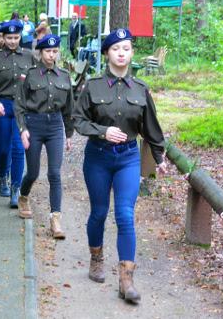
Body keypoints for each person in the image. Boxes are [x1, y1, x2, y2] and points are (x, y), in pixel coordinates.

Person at [73, 28, 167, 303]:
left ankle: (126, 280)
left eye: (126, 48)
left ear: (132, 53)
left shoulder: (140, 89)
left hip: (128, 158)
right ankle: (96, 258)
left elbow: (152, 128)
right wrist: (102, 131)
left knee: (125, 214)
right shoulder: (93, 86)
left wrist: (159, 158)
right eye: (116, 49)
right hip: (98, 157)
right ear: (106, 53)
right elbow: (78, 120)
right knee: (99, 212)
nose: (121, 53)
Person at [15, 34, 73, 239]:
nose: (51, 55)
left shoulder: (64, 75)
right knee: (33, 172)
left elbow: (69, 108)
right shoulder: (30, 75)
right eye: (48, 51)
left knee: (54, 173)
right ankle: (23, 196)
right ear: (40, 52)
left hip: (55, 126)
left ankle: (55, 218)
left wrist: (69, 134)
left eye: (55, 51)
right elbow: (19, 105)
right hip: (34, 124)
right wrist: (22, 129)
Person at [0, 19, 36, 207]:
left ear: (20, 36)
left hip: (22, 108)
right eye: (9, 38)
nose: (13, 41)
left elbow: (35, 82)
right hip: (3, 106)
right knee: (3, 148)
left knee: (18, 147)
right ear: (3, 38)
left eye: (16, 37)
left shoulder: (29, 56)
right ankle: (2, 176)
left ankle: (16, 187)